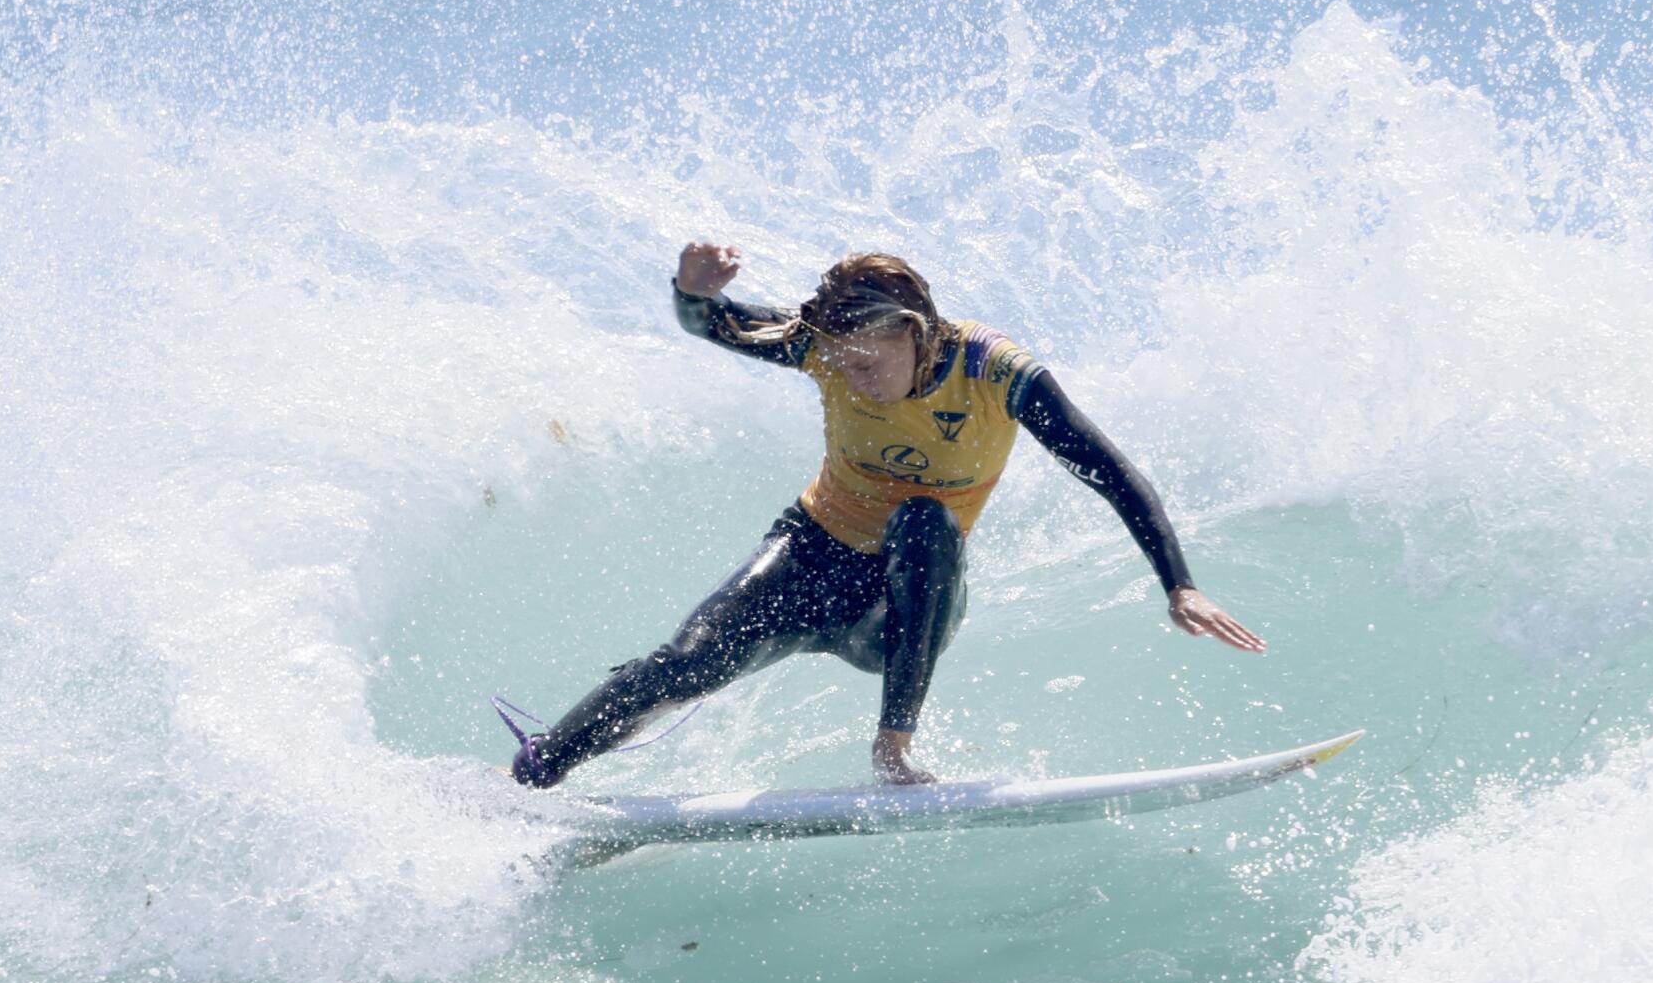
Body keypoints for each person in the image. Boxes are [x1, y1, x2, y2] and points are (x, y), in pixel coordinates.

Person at [506, 243, 1265, 789]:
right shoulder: (822, 346)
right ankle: (543, 765)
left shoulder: (997, 374)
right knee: (688, 660)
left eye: (866, 365)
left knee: (925, 520)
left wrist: (1179, 583)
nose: (852, 381)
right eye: (838, 366)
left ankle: (893, 747)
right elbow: (713, 323)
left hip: (899, 607)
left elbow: (1112, 472)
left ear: (913, 330)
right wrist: (691, 292)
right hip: (809, 556)